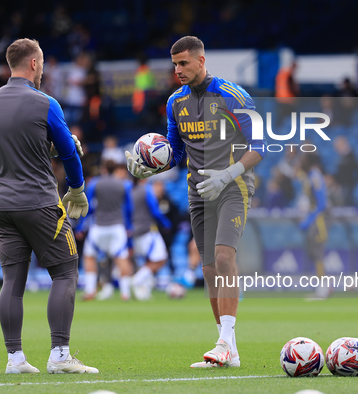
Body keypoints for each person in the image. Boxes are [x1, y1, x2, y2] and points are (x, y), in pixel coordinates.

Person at [125, 36, 265, 368]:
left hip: (234, 187)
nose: (178, 70)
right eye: (174, 64)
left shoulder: (233, 95)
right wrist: (150, 169)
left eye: (184, 63)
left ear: (201, 61)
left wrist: (228, 175)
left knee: (223, 257)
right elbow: (175, 151)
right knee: (208, 269)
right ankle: (228, 348)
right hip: (198, 190)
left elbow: (260, 144)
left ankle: (224, 343)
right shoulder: (175, 102)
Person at [0, 38, 97, 374]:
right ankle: (60, 355)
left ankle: (14, 359)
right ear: (34, 64)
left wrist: (46, 148)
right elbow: (69, 152)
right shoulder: (45, 102)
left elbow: (12, 148)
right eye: (42, 64)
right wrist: (76, 189)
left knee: (12, 280)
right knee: (65, 270)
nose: (43, 70)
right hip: (39, 202)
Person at [80, 160, 133, 301]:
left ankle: (90, 290)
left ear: (103, 168)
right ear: (115, 169)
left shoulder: (94, 183)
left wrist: (80, 227)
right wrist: (129, 227)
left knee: (89, 256)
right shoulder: (124, 184)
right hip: (117, 226)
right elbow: (128, 208)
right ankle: (125, 293)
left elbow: (88, 207)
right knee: (121, 258)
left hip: (99, 226)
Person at [131, 178, 172, 300]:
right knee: (161, 259)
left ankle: (144, 290)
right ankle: (136, 280)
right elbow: (155, 211)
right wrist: (166, 223)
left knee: (148, 261)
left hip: (134, 230)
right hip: (148, 230)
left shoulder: (130, 190)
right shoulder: (147, 190)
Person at [298, 154, 329, 299]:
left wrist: (309, 219)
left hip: (319, 220)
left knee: (318, 253)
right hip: (314, 219)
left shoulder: (314, 176)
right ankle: (322, 287)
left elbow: (322, 203)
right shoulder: (308, 176)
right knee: (314, 253)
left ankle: (322, 289)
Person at [333, 136, 358, 206]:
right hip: (341, 184)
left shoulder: (350, 155)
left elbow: (357, 169)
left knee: (347, 201)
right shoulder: (340, 158)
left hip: (348, 183)